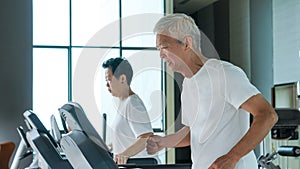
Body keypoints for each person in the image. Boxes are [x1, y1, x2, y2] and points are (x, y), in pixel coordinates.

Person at [146, 13, 278, 169]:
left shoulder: (225, 74)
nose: (161, 55)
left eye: (164, 47)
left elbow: (267, 115)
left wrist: (232, 157)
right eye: (159, 49)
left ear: (187, 44)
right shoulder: (188, 84)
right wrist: (164, 142)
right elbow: (194, 131)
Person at [102, 57, 158, 164]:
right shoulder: (123, 103)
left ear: (123, 79)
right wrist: (109, 147)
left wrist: (125, 154)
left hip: (139, 165)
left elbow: (146, 137)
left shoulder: (133, 103)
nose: (107, 85)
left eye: (109, 80)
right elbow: (125, 138)